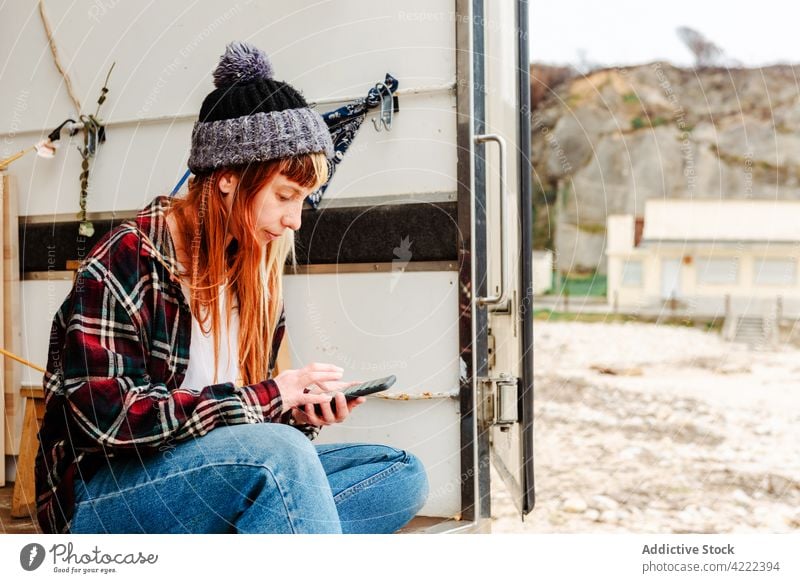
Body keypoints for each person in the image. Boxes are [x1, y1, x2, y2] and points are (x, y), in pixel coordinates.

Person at [34, 41, 429, 534]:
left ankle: (249, 540)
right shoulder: (124, 261)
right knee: (281, 461)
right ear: (227, 179)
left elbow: (249, 432)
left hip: (220, 480)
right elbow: (107, 420)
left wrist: (298, 409)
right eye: (285, 195)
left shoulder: (256, 273)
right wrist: (267, 399)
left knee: (399, 474)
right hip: (108, 496)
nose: (294, 220)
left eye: (303, 200)